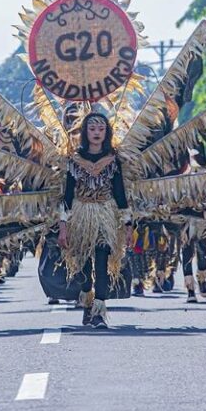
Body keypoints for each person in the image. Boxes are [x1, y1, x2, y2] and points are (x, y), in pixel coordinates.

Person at [58, 112, 133, 329]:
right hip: (80, 215)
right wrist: (63, 226)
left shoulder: (113, 160)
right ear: (85, 133)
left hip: (105, 215)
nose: (97, 133)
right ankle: (87, 301)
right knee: (83, 265)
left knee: (101, 261)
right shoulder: (74, 159)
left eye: (101, 129)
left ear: (107, 132)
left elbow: (120, 194)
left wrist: (128, 224)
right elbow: (68, 195)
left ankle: (99, 312)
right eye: (92, 129)